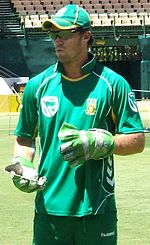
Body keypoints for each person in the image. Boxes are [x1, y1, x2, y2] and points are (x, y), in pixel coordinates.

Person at [6, 4, 145, 245]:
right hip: (49, 209)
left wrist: (102, 142)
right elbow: (24, 138)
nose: (57, 40)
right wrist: (23, 163)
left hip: (97, 210)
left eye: (65, 34)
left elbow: (136, 140)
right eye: (54, 35)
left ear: (86, 36)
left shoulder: (114, 84)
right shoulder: (37, 86)